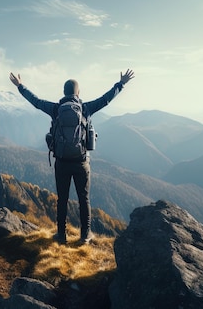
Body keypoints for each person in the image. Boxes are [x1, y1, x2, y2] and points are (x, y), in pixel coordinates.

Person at [9, 69, 135, 244]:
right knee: (84, 199)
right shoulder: (85, 109)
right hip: (81, 162)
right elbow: (105, 99)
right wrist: (120, 84)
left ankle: (61, 235)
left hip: (61, 162)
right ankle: (85, 235)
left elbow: (36, 102)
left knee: (63, 199)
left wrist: (20, 86)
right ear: (78, 93)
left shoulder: (56, 109)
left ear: (64, 92)